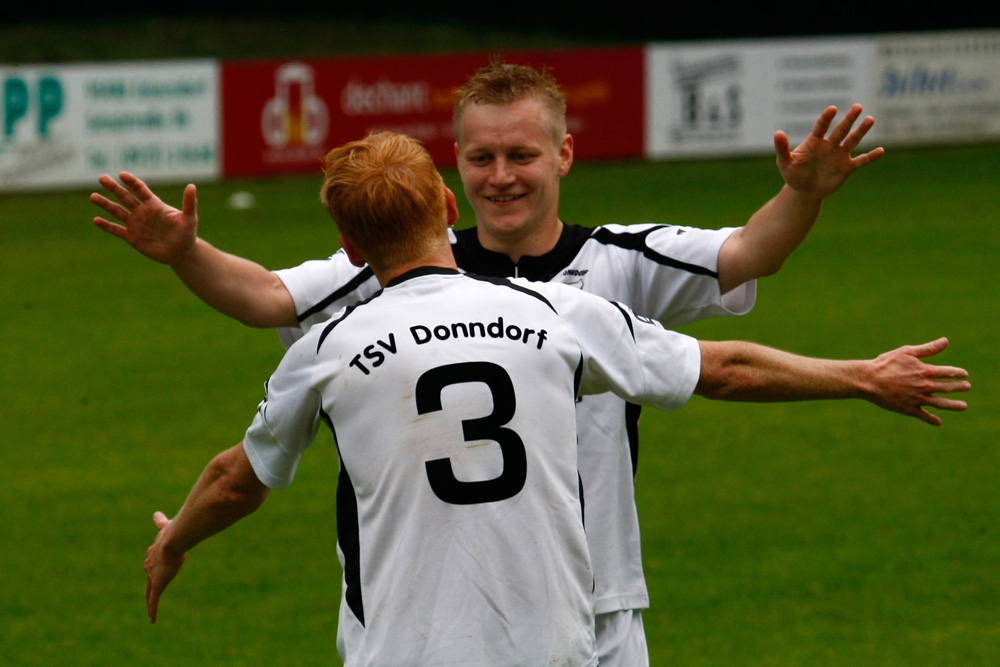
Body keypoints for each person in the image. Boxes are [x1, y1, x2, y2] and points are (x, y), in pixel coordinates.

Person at [99, 60, 892, 665]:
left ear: (564, 154)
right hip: (529, 623)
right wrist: (188, 251)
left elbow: (750, 255)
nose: (502, 174)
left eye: (521, 154)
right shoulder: (544, 308)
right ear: (450, 187)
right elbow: (269, 292)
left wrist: (803, 199)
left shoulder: (359, 321)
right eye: (482, 157)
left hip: (563, 600)